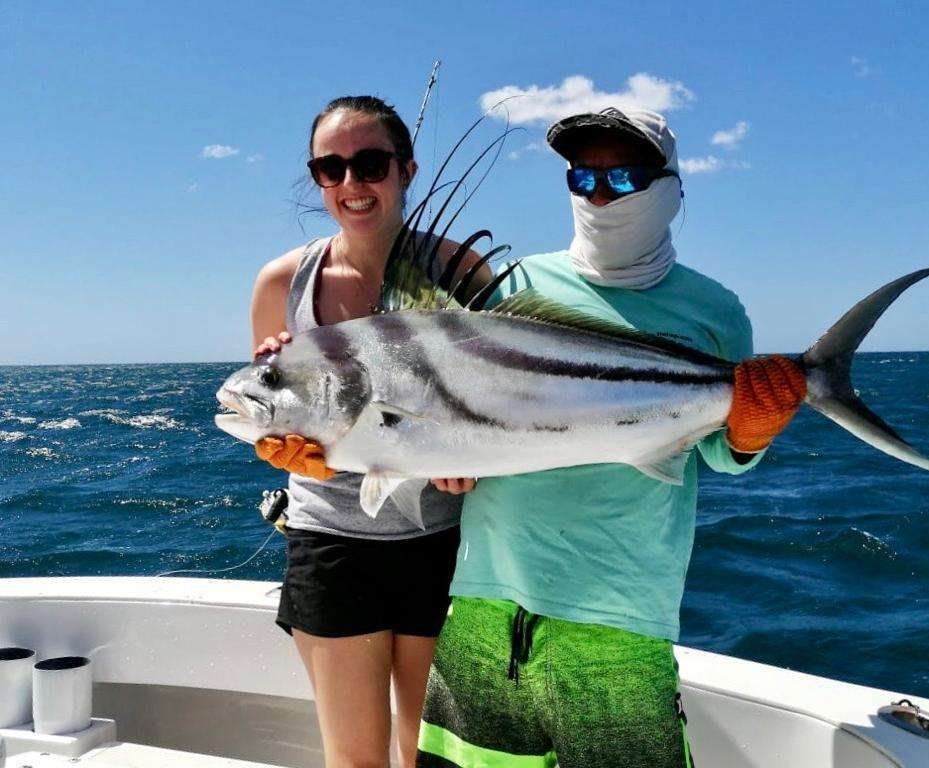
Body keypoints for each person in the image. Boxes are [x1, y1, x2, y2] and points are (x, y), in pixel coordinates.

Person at [416, 108, 806, 768]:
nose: (598, 194)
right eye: (582, 177)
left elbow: (722, 455)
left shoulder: (714, 310)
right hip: (486, 598)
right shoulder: (515, 287)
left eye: (623, 178)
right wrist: (444, 460)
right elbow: (463, 410)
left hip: (620, 616)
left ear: (670, 188)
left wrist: (750, 433)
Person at [250, 95, 479, 768]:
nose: (352, 184)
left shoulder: (461, 272)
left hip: (444, 536)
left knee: (426, 754)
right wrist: (288, 445)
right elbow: (273, 429)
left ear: (406, 169)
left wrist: (470, 459)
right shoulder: (282, 283)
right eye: (331, 167)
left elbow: (495, 405)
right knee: (354, 760)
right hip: (330, 537)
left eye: (371, 163)